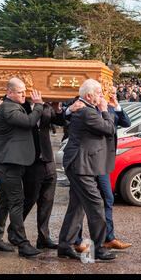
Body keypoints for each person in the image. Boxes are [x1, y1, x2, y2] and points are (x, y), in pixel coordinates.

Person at [58, 79, 117, 261]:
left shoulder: (86, 109)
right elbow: (109, 128)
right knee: (96, 206)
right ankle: (99, 248)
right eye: (99, 93)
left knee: (76, 207)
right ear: (88, 96)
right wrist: (105, 110)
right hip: (80, 165)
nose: (101, 96)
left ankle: (65, 245)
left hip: (82, 164)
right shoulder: (87, 112)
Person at [71, 85, 132, 252]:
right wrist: (70, 109)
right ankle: (77, 240)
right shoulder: (85, 107)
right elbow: (66, 116)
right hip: (87, 162)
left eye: (112, 93)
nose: (109, 95)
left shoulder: (110, 109)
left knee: (107, 198)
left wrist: (116, 106)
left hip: (102, 162)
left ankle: (108, 238)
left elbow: (126, 122)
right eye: (106, 92)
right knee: (82, 202)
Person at [0, 78, 43, 257]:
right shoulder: (7, 107)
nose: (24, 95)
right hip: (7, 162)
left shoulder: (12, 105)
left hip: (12, 161)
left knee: (5, 200)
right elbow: (28, 122)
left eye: (24, 91)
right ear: (9, 92)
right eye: (20, 92)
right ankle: (22, 244)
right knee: (16, 201)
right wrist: (39, 106)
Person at [7, 100, 65, 250]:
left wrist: (57, 108)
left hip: (47, 157)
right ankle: (14, 231)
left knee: (47, 200)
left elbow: (61, 121)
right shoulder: (21, 106)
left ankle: (44, 237)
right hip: (30, 160)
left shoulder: (46, 105)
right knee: (29, 199)